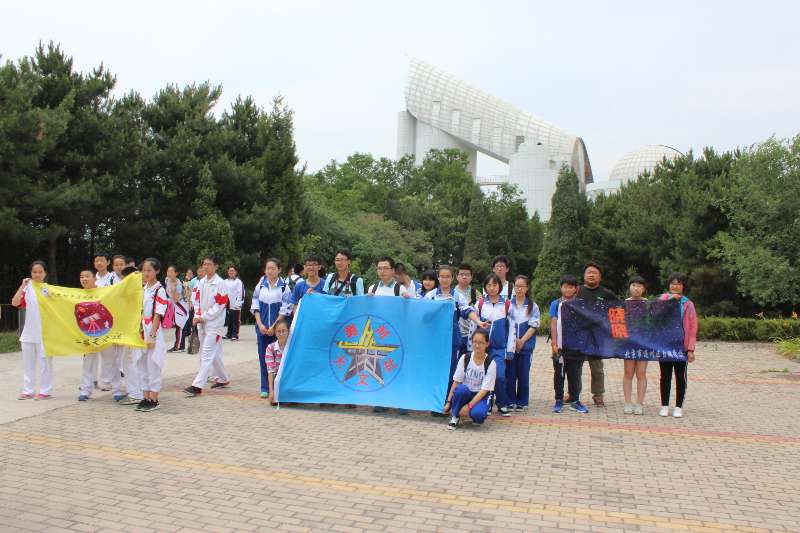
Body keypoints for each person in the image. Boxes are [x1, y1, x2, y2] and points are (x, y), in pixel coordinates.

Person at [425, 265, 486, 416]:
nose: (445, 279)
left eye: (448, 276)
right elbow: (420, 310)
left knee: (451, 372)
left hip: (452, 340)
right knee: (436, 371)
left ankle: (448, 403)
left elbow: (468, 311)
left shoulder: (457, 296)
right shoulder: (431, 295)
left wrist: (478, 322)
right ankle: (435, 404)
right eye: (442, 276)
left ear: (452, 278)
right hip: (435, 340)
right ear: (438, 277)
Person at [183, 256, 230, 398]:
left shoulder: (221, 283)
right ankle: (223, 378)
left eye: (209, 264)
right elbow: (195, 300)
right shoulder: (201, 282)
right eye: (204, 264)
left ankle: (197, 386)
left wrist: (203, 317)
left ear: (216, 266)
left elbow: (220, 305)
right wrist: (197, 315)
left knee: (206, 354)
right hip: (201, 323)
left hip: (214, 324)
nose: (206, 266)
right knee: (212, 354)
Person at [576, 262, 618, 407]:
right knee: (575, 367)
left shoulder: (606, 293)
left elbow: (618, 310)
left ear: (599, 277)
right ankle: (573, 393)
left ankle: (598, 395)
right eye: (589, 272)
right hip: (578, 336)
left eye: (594, 273)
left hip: (597, 337)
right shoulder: (577, 291)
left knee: (597, 368)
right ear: (584, 275)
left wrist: (613, 330)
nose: (591, 275)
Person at [12, 261, 54, 400]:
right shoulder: (27, 288)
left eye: (40, 272)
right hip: (29, 333)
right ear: (31, 273)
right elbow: (15, 302)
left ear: (45, 273)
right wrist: (22, 285)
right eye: (34, 272)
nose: (37, 274)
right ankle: (28, 390)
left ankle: (45, 391)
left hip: (45, 333)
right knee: (28, 364)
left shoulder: (49, 289)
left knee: (45, 364)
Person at [250, 258, 292, 399]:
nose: (270, 271)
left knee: (279, 358)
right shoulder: (261, 284)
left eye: (273, 268)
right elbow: (255, 304)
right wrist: (260, 324)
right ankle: (265, 387)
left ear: (279, 270)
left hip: (277, 330)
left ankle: (277, 386)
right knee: (264, 358)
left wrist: (274, 327)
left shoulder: (284, 287)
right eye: (268, 268)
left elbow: (285, 309)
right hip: (261, 328)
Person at [658, 272, 698, 418]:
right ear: (669, 285)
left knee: (680, 377)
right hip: (665, 345)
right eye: (673, 283)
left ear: (683, 286)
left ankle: (678, 406)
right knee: (665, 376)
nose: (675, 286)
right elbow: (655, 315)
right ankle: (664, 406)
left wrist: (690, 349)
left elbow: (692, 328)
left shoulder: (688, 304)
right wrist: (670, 300)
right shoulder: (662, 299)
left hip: (681, 346)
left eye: (678, 284)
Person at [474, 274, 514, 417]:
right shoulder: (480, 304)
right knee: (483, 377)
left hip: (499, 349)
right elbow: (474, 326)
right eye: (489, 285)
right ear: (485, 287)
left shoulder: (507, 304)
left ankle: (502, 404)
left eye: (494, 285)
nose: (491, 288)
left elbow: (512, 329)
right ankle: (487, 404)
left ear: (499, 287)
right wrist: (472, 346)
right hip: (482, 349)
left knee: (500, 377)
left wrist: (510, 349)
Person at [549, 275, 588, 414]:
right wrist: (554, 343)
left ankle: (575, 401)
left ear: (576, 289)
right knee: (559, 374)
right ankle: (558, 400)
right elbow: (553, 324)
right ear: (561, 288)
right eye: (565, 286)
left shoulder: (580, 304)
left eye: (571, 287)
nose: (568, 289)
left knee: (575, 375)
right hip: (560, 346)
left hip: (576, 347)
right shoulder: (555, 303)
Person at [445, 329, 496, 430]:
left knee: (478, 415)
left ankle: (478, 410)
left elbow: (484, 390)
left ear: (487, 344)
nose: (477, 345)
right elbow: (456, 382)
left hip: (481, 395)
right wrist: (448, 402)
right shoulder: (465, 358)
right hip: (466, 392)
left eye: (481, 343)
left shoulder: (491, 363)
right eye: (475, 342)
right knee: (460, 389)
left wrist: (468, 406)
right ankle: (455, 416)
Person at [137, 258, 168, 412]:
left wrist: (152, 335)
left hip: (152, 330)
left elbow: (158, 314)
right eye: (144, 270)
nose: (146, 273)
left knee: (153, 364)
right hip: (141, 330)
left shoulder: (159, 290)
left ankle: (154, 399)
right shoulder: (143, 289)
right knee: (141, 364)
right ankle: (145, 397)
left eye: (149, 270)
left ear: (157, 271)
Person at [507, 275, 540, 412]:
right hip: (510, 345)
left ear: (527, 288)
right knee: (510, 374)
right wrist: (514, 341)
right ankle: (510, 400)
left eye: (522, 286)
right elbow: (506, 324)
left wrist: (522, 341)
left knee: (523, 374)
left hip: (526, 346)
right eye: (516, 286)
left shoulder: (533, 306)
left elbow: (534, 326)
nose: (519, 289)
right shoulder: (508, 304)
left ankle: (522, 401)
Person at [94, 254, 123, 398]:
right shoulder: (92, 278)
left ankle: (108, 381)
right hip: (96, 319)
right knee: (96, 351)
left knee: (112, 352)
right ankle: (97, 380)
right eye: (96, 261)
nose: (99, 263)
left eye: (102, 260)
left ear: (108, 263)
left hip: (111, 318)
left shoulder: (113, 278)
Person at [116, 265, 144, 406]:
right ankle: (136, 391)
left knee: (132, 363)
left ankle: (136, 394)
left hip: (135, 333)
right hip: (130, 333)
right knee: (129, 363)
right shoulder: (135, 291)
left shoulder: (138, 292)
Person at [623, 276, 649, 415]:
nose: (636, 288)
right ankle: (627, 402)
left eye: (639, 285)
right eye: (633, 285)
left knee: (641, 373)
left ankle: (639, 403)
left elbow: (653, 324)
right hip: (628, 343)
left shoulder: (648, 304)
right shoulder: (624, 303)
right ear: (629, 287)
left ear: (644, 289)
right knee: (628, 373)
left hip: (643, 344)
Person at [77, 268, 100, 401]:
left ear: (94, 278)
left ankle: (116, 390)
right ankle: (85, 390)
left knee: (110, 362)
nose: (84, 279)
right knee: (88, 363)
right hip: (88, 334)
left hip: (105, 332)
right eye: (81, 277)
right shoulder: (76, 295)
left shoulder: (104, 292)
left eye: (87, 276)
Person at [454, 263, 479, 357]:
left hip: (471, 335)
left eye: (467, 275)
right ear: (457, 276)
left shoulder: (476, 293)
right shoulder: (452, 292)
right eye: (462, 274)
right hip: (455, 334)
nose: (464, 277)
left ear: (471, 277)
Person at [265, 318, 291, 406]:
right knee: (274, 401)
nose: (281, 334)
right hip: (277, 379)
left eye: (284, 331)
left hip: (290, 378)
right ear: (275, 333)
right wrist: (271, 391)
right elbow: (270, 371)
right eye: (279, 331)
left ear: (288, 332)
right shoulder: (270, 348)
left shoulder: (293, 347)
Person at [164, 265, 186, 352]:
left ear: (176, 273)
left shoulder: (178, 285)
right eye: (168, 271)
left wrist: (173, 290)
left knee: (179, 326)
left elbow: (176, 299)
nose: (168, 273)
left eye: (171, 272)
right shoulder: (167, 280)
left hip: (180, 306)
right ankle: (179, 346)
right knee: (176, 326)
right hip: (172, 306)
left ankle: (179, 347)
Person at [223, 266, 245, 341]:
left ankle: (235, 334)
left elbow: (241, 293)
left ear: (236, 272)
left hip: (236, 304)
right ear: (228, 272)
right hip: (227, 304)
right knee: (229, 320)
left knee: (235, 320)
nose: (231, 272)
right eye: (230, 271)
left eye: (233, 271)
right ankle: (229, 334)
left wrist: (238, 304)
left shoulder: (238, 282)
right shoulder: (225, 281)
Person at [178, 268, 195, 351]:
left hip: (191, 304)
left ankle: (192, 343)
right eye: (188, 273)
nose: (189, 274)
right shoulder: (183, 282)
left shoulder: (194, 281)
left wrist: (191, 302)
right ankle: (182, 345)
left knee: (191, 324)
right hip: (184, 304)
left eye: (190, 273)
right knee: (185, 324)